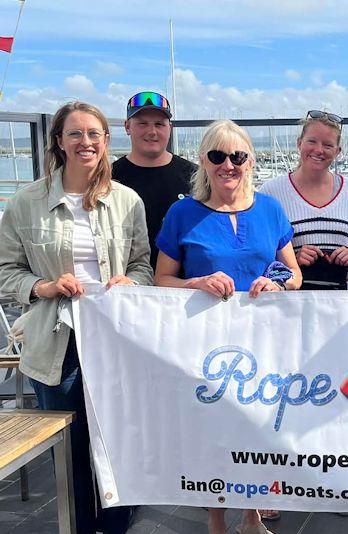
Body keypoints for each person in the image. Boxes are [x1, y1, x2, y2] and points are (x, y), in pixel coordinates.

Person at [0, 101, 152, 533]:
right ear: (59, 142)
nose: (85, 142)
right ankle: (80, 524)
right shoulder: (26, 202)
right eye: (75, 134)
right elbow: (4, 270)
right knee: (68, 449)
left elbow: (142, 262)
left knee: (118, 439)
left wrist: (131, 282)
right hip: (55, 341)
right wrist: (42, 287)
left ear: (105, 142)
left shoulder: (127, 201)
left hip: (113, 340)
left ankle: (118, 523)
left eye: (94, 134)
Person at [154, 119, 301, 534]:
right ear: (204, 161)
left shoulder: (270, 209)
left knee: (257, 427)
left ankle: (251, 516)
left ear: (250, 161)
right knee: (211, 431)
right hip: (204, 342)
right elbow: (161, 279)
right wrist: (195, 282)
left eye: (237, 156)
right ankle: (216, 519)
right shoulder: (182, 213)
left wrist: (277, 282)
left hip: (263, 340)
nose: (228, 165)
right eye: (218, 156)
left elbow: (295, 274)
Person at [260, 110, 348, 290]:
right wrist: (293, 260)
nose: (319, 150)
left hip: (344, 301)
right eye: (312, 141)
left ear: (338, 151)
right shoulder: (272, 192)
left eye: (327, 145)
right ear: (299, 143)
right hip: (293, 302)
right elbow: (263, 251)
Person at [113, 91, 197, 271]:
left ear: (170, 128)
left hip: (183, 284)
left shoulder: (195, 176)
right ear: (127, 127)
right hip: (125, 281)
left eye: (159, 124)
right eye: (142, 124)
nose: (152, 132)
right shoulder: (109, 177)